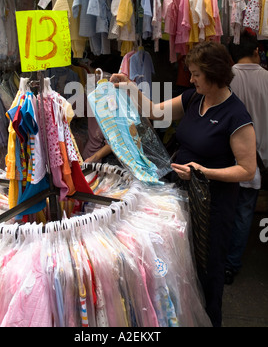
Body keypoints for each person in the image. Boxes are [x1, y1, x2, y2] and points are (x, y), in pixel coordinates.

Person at [110, 41, 257, 327]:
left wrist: (203, 171)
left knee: (208, 273)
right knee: (185, 267)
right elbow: (153, 111)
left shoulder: (236, 116)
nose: (190, 79)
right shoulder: (193, 99)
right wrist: (128, 85)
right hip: (182, 198)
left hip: (213, 207)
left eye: (196, 75)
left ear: (214, 74)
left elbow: (247, 170)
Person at [225, 31, 268, 284]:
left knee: (224, 211)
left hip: (228, 160)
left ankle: (220, 261)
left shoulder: (227, 78)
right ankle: (231, 264)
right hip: (261, 160)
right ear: (256, 51)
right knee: (244, 213)